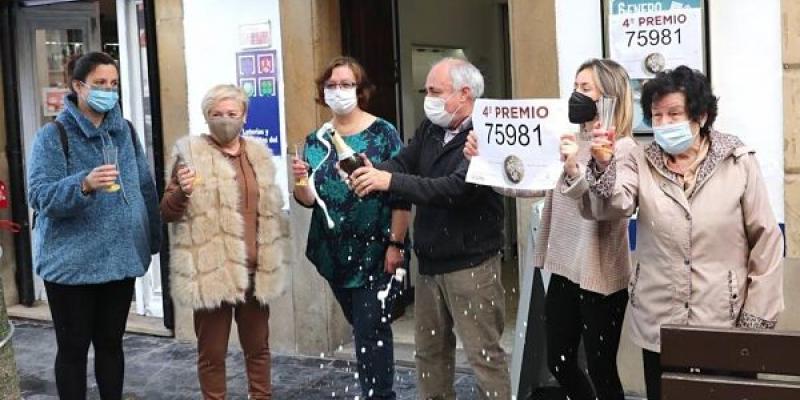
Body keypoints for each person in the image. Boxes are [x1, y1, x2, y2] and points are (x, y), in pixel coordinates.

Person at [562, 66, 785, 400]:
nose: (664, 123)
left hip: (723, 320)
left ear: (701, 116)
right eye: (657, 115)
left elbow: (766, 241)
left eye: (674, 114)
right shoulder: (641, 160)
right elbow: (613, 206)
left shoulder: (737, 162)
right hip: (661, 320)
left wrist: (754, 319)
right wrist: (602, 167)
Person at [463, 58, 636, 400]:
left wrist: (575, 168)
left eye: (585, 88)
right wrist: (484, 162)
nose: (575, 95)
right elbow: (526, 183)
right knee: (559, 361)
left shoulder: (624, 148)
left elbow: (612, 207)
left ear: (609, 94)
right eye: (574, 87)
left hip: (599, 275)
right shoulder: (566, 139)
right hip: (563, 268)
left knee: (602, 371)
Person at [350, 57, 511, 400]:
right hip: (430, 261)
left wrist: (388, 179)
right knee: (430, 355)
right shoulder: (431, 128)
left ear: (464, 93)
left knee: (484, 357)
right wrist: (372, 170)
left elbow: (454, 189)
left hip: (472, 265)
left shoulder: (487, 134)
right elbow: (405, 161)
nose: (429, 97)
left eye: (436, 91)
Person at [26, 51, 161, 400]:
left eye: (114, 83)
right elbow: (39, 195)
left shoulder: (125, 132)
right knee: (72, 351)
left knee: (112, 346)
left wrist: (151, 241)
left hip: (119, 261)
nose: (109, 90)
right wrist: (83, 184)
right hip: (70, 266)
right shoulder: (53, 135)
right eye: (100, 83)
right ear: (77, 86)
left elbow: (144, 187)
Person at [292, 56, 411, 400]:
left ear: (361, 90)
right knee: (361, 325)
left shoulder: (382, 133)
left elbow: (400, 191)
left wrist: (397, 244)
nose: (338, 91)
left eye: (346, 84)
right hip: (334, 252)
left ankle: (379, 394)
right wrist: (300, 180)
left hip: (376, 249)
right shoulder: (316, 140)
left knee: (371, 330)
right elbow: (309, 199)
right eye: (332, 85)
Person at [161, 84, 288, 400]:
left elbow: (269, 209)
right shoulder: (189, 155)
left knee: (258, 350)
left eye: (232, 113)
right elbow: (167, 211)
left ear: (244, 115)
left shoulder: (257, 155)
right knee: (212, 355)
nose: (225, 120)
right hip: (212, 272)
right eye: (217, 114)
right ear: (207, 117)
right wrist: (183, 192)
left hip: (255, 271)